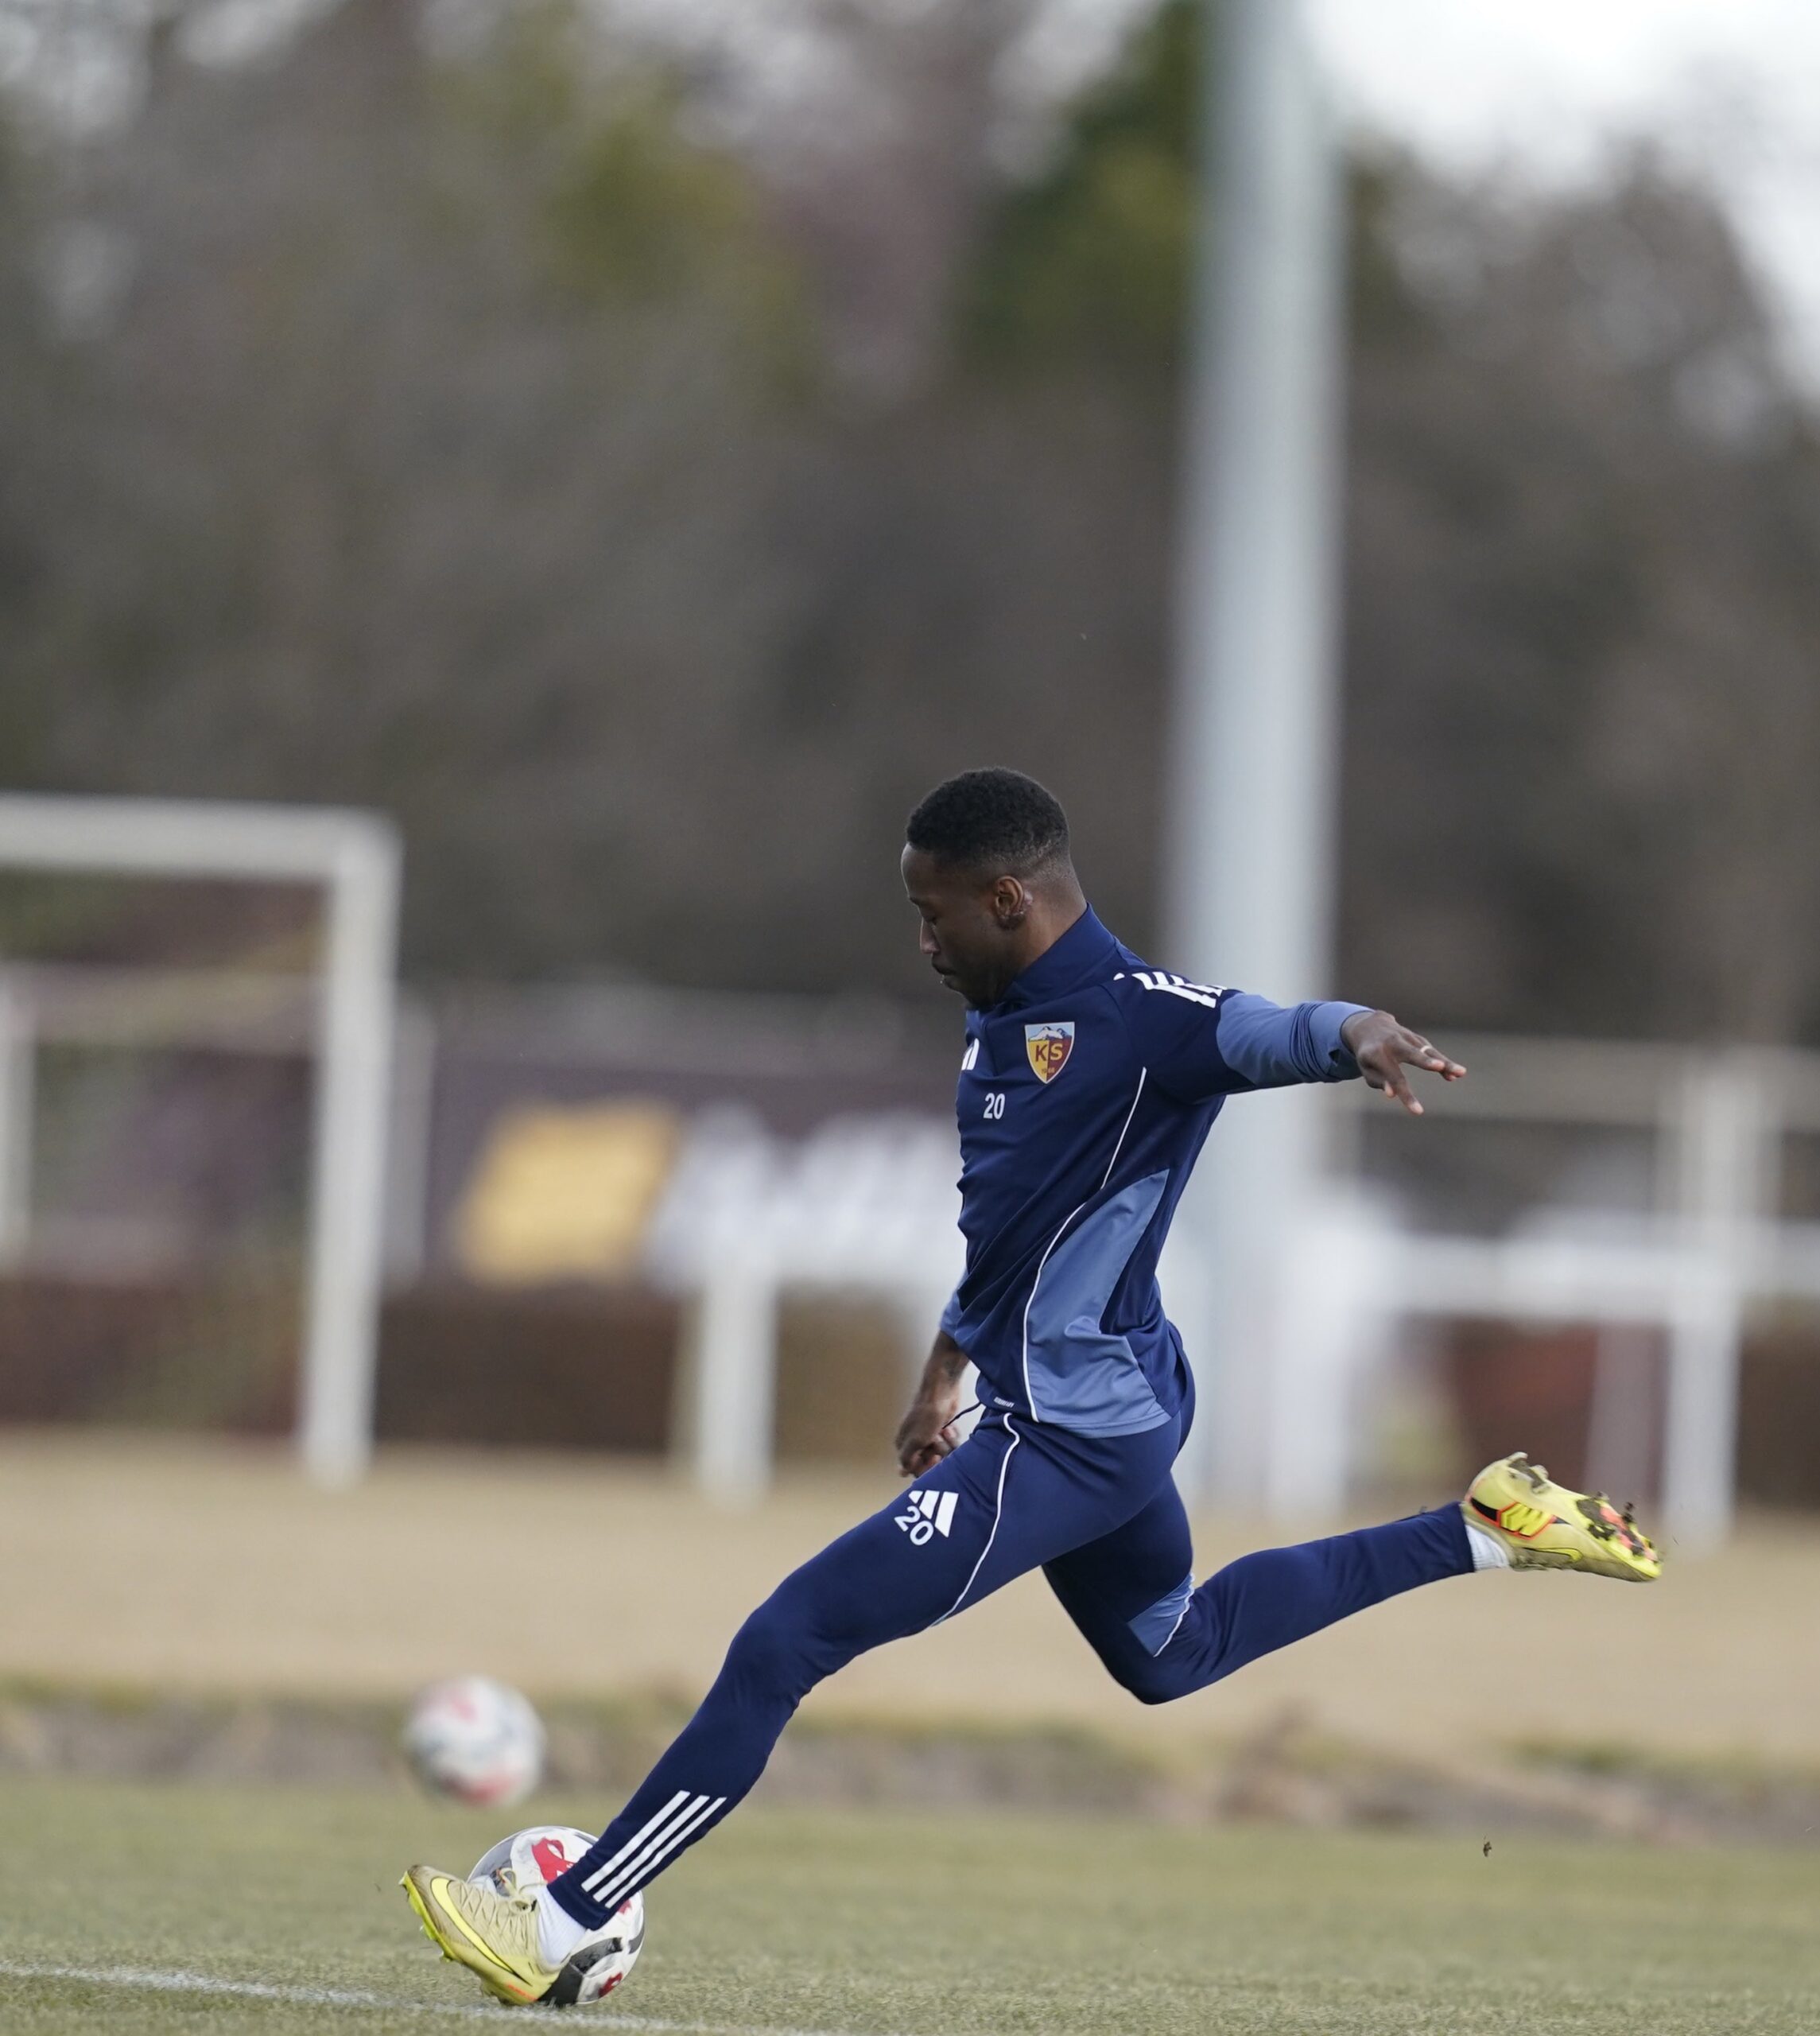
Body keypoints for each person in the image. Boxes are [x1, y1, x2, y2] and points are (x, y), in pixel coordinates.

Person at [403, 767, 1659, 2004]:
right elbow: (1008, 1230)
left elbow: (1267, 1027)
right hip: (1091, 1411)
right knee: (1169, 1654)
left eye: (932, 912)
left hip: (1069, 1437)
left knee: (786, 1641)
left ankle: (567, 1918)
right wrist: (941, 1370)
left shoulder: (1140, 1016)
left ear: (1006, 899)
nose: (922, 941)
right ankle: (1480, 1528)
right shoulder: (996, 1022)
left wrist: (1356, 1035)